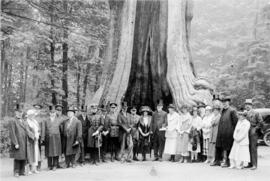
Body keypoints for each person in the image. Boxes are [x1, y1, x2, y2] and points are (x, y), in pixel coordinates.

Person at [9, 104, 35, 177]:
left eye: (21, 112)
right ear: (15, 112)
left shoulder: (24, 121)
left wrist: (32, 136)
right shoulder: (12, 120)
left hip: (25, 141)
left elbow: (28, 130)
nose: (20, 113)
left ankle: (22, 171)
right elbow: (12, 133)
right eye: (18, 112)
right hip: (18, 142)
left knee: (23, 156)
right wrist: (15, 143)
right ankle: (16, 171)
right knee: (18, 157)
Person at [214, 96, 238, 167]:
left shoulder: (232, 111)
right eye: (223, 102)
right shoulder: (222, 111)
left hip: (229, 133)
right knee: (218, 146)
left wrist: (233, 133)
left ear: (228, 102)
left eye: (225, 102)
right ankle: (217, 161)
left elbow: (235, 123)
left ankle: (228, 162)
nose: (224, 103)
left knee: (228, 148)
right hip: (221, 132)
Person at [44, 105, 68, 171]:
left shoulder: (59, 119)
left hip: (56, 138)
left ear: (55, 113)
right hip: (48, 138)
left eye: (53, 112)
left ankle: (55, 165)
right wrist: (43, 138)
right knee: (49, 152)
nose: (52, 114)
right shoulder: (46, 120)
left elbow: (66, 119)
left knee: (56, 152)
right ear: (49, 113)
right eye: (51, 112)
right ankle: (49, 165)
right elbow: (44, 129)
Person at [244, 99, 263, 170]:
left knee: (253, 148)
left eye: (249, 104)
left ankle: (254, 164)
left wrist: (255, 129)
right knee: (248, 148)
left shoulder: (256, 113)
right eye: (246, 105)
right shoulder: (245, 113)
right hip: (246, 132)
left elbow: (261, 122)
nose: (247, 106)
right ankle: (250, 163)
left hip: (253, 131)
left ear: (251, 105)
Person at [26, 109, 41, 174]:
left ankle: (34, 169)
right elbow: (27, 131)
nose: (32, 116)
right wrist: (33, 137)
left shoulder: (35, 121)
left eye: (33, 115)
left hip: (36, 140)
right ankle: (29, 169)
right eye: (31, 115)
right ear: (28, 116)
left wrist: (38, 134)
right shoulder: (26, 122)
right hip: (30, 141)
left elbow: (39, 129)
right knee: (30, 154)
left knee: (35, 154)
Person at [32, 103, 45, 171]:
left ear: (40, 110)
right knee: (31, 151)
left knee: (38, 151)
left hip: (38, 137)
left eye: (38, 108)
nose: (36, 109)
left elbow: (43, 128)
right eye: (35, 108)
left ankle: (38, 166)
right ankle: (31, 166)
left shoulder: (41, 118)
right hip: (31, 136)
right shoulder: (31, 116)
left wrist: (42, 138)